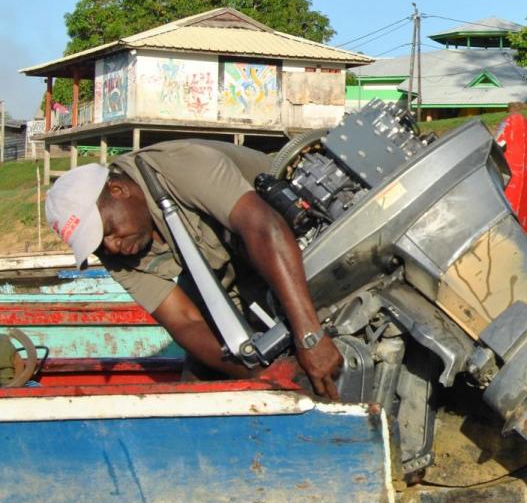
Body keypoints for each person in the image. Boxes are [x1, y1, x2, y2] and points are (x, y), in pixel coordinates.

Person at [45, 139, 341, 399]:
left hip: (292, 239)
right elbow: (185, 321)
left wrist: (309, 335)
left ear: (119, 189)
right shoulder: (115, 251)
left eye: (109, 230)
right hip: (234, 278)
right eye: (98, 244)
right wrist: (261, 376)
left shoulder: (178, 165)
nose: (111, 247)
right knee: (201, 376)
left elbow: (264, 228)